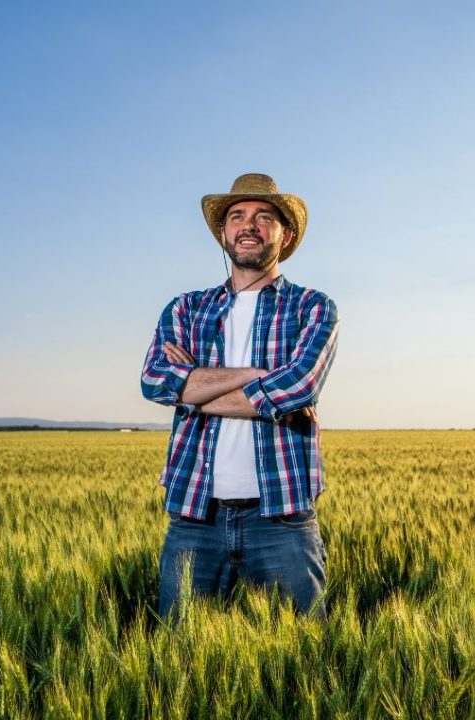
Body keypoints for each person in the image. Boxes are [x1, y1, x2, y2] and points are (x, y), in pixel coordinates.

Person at [141, 173, 339, 620]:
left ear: (284, 235)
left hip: (283, 518)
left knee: (306, 658)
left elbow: (299, 386)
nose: (248, 225)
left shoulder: (312, 306)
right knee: (181, 657)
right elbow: (156, 382)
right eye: (237, 216)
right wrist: (257, 375)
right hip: (195, 516)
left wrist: (191, 388)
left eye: (263, 216)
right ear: (224, 234)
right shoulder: (186, 309)